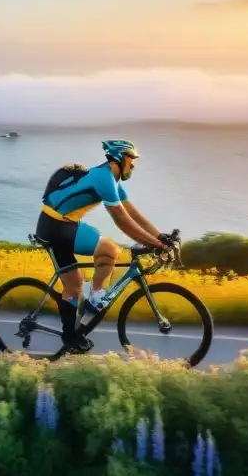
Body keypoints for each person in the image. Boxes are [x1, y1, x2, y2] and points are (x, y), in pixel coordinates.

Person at [36, 139, 171, 351]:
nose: (134, 165)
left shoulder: (112, 180)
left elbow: (133, 213)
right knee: (99, 259)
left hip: (66, 223)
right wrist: (155, 245)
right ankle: (84, 315)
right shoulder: (103, 178)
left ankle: (85, 312)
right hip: (55, 226)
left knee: (87, 272)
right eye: (131, 159)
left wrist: (161, 237)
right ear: (119, 158)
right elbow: (122, 220)